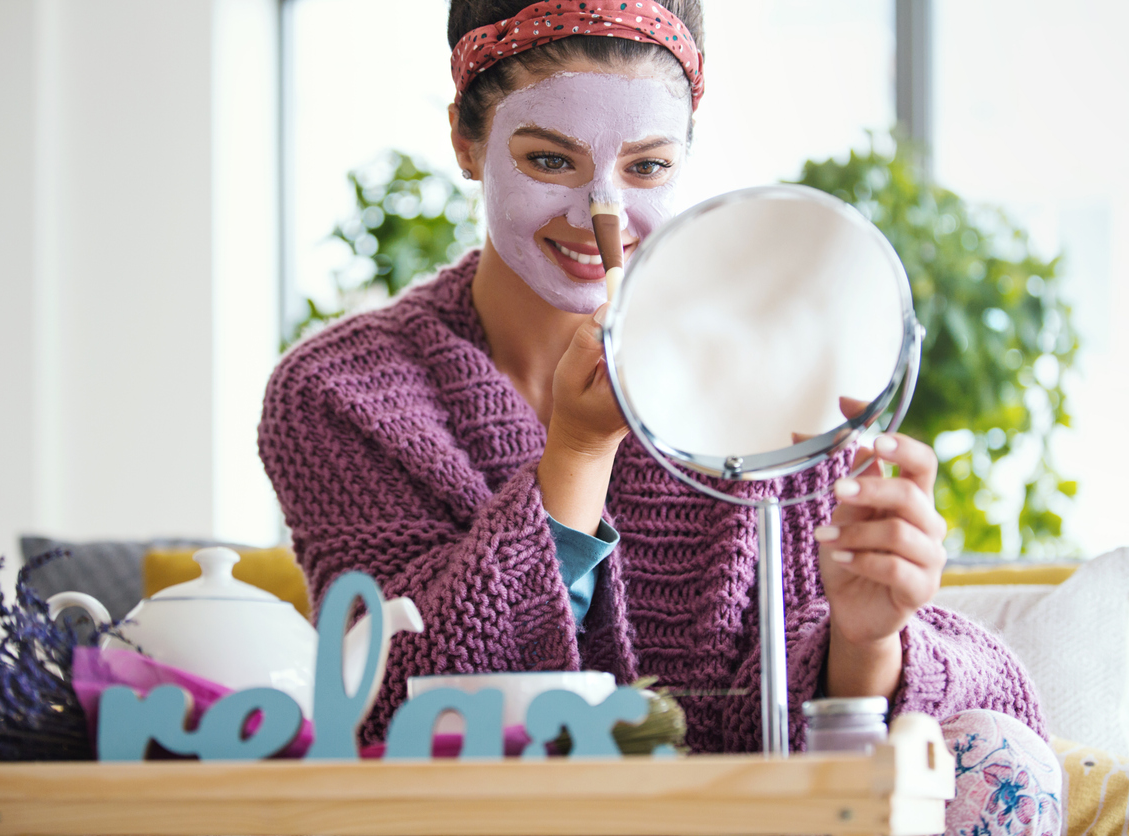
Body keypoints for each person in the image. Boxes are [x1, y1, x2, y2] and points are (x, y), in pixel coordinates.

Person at [258, 2, 1061, 831]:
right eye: (549, 159)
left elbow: (821, 750)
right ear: (466, 139)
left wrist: (866, 640)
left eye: (646, 167)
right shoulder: (337, 395)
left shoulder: (781, 370)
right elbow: (384, 709)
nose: (601, 214)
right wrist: (576, 455)